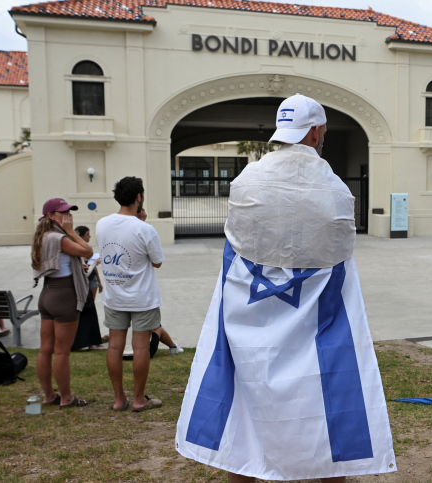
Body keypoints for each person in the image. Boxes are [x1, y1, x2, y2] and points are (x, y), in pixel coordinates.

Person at [175, 94, 395, 483]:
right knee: (320, 419)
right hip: (313, 325)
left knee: (244, 418)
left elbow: (238, 240)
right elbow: (342, 247)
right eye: (323, 129)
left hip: (250, 320)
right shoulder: (336, 190)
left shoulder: (247, 181)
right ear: (314, 131)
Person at [96, 177, 165, 412]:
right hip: (142, 297)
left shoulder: (102, 224)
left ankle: (118, 399)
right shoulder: (144, 228)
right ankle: (138, 399)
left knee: (114, 346)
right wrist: (141, 224)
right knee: (141, 347)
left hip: (115, 295)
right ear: (138, 197)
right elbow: (157, 262)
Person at [31, 198, 95, 409]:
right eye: (62, 213)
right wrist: (72, 231)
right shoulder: (60, 237)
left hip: (48, 294)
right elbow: (88, 251)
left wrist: (76, 266)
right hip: (65, 296)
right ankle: (66, 398)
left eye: (69, 212)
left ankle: (49, 395)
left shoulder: (44, 236)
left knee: (45, 349)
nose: (68, 216)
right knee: (61, 352)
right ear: (50, 216)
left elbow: (60, 263)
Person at [71, 225, 105, 352]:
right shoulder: (77, 249)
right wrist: (94, 262)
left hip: (84, 284)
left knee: (88, 310)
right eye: (87, 235)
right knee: (87, 311)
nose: (90, 237)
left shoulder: (77, 249)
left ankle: (87, 341)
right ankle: (87, 341)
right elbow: (84, 271)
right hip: (82, 285)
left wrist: (99, 281)